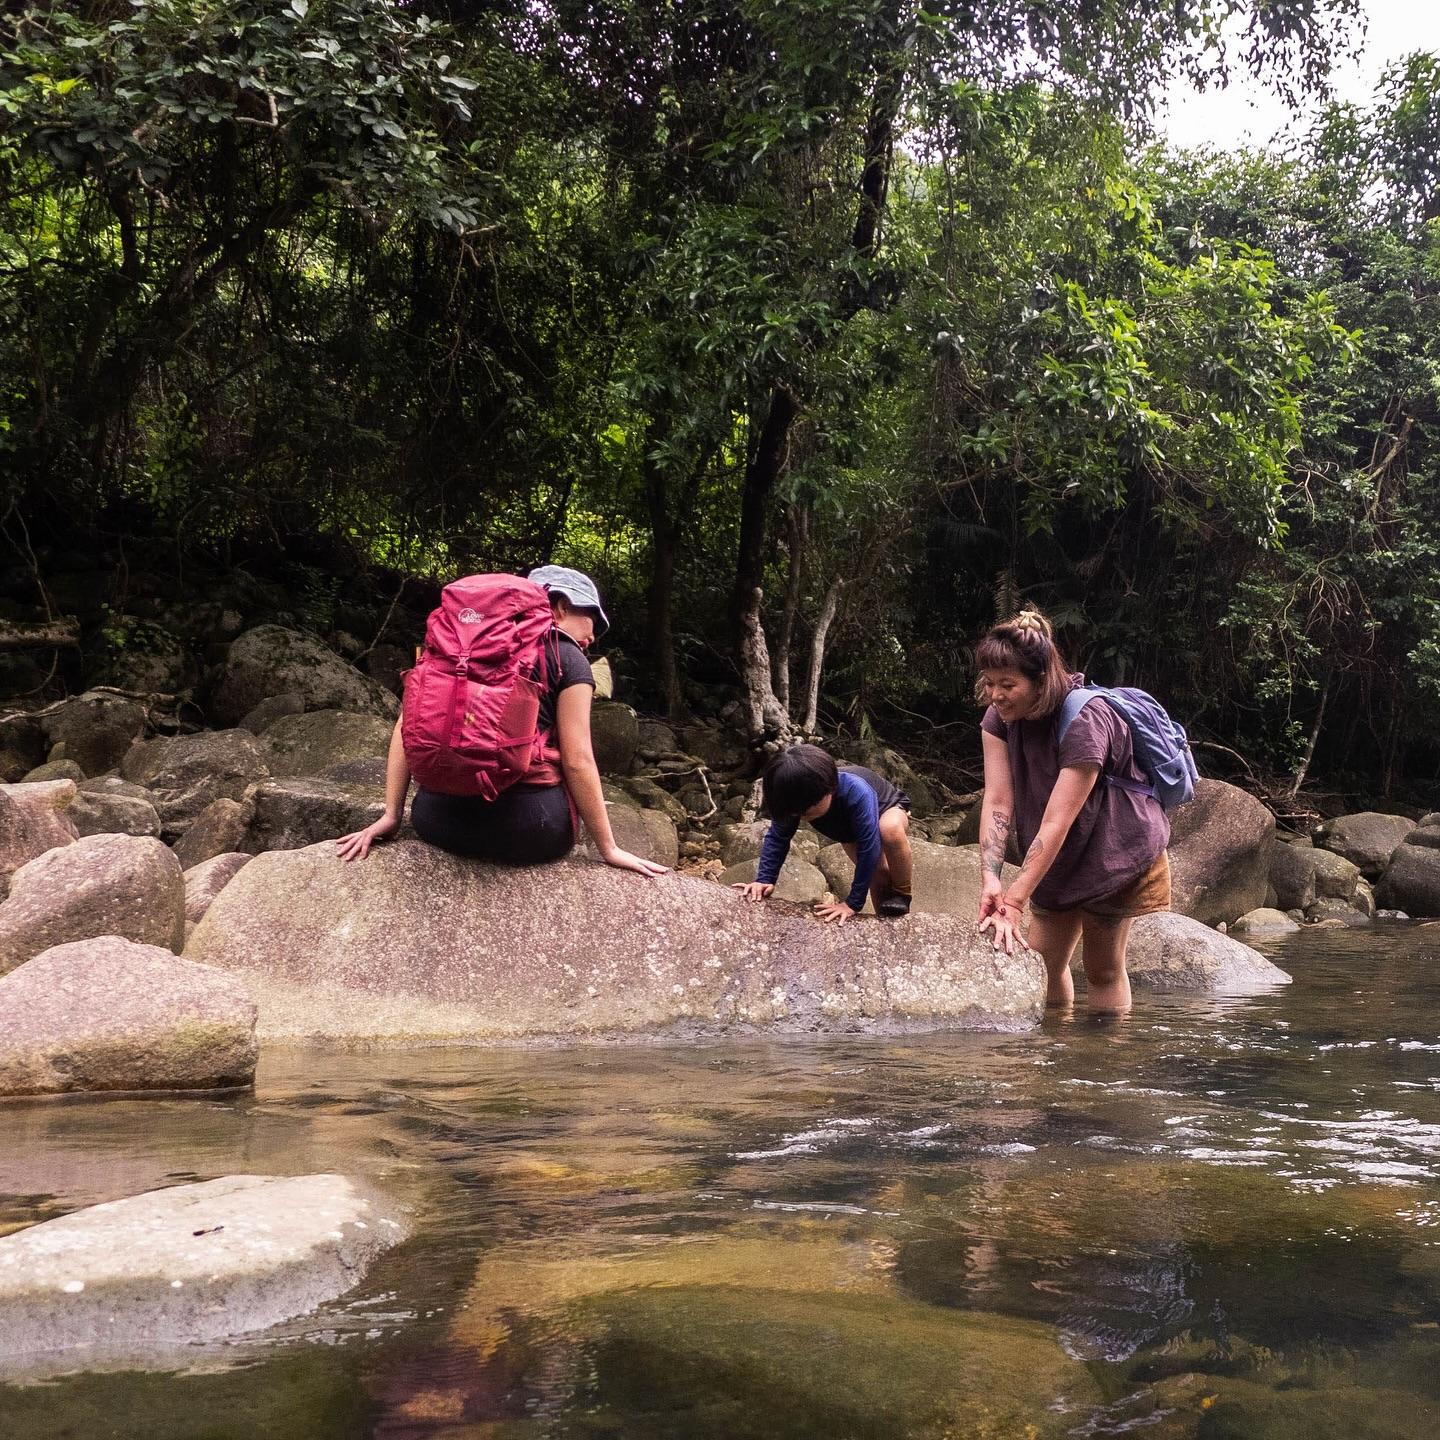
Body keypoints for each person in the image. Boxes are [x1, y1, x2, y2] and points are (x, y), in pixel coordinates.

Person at [336, 565, 667, 877]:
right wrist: (608, 848)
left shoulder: (452, 650)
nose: (594, 635)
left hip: (436, 821)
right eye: (592, 617)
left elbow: (406, 728)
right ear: (561, 607)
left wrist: (392, 815)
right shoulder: (569, 658)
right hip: (529, 831)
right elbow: (578, 760)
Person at [975, 609, 1170, 1012]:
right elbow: (997, 801)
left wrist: (1015, 901)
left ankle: (1103, 1066)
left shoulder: (1086, 719)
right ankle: (1054, 1063)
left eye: (1007, 685)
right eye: (989, 683)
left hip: (1115, 852)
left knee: (1102, 968)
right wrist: (992, 879)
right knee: (1042, 961)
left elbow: (1057, 820)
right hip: (1059, 857)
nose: (995, 695)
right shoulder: (998, 717)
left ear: (1041, 680)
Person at [733, 743, 914, 924]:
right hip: (847, 828)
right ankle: (885, 920)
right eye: (797, 813)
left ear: (830, 789)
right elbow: (778, 837)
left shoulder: (856, 790)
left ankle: (902, 894)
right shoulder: (792, 796)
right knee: (877, 873)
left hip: (888, 808)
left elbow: (869, 847)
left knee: (889, 830)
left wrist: (852, 904)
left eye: (807, 811)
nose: (801, 816)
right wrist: (764, 878)